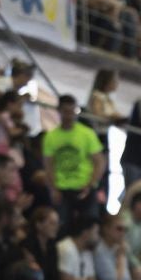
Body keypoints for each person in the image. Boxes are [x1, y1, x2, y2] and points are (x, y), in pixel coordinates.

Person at [43, 95, 106, 226]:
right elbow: (48, 165)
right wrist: (53, 189)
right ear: (59, 111)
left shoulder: (87, 134)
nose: (69, 116)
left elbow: (99, 162)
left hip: (84, 187)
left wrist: (91, 184)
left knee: (89, 225)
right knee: (62, 225)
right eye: (66, 112)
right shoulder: (51, 137)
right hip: (62, 189)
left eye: (72, 112)